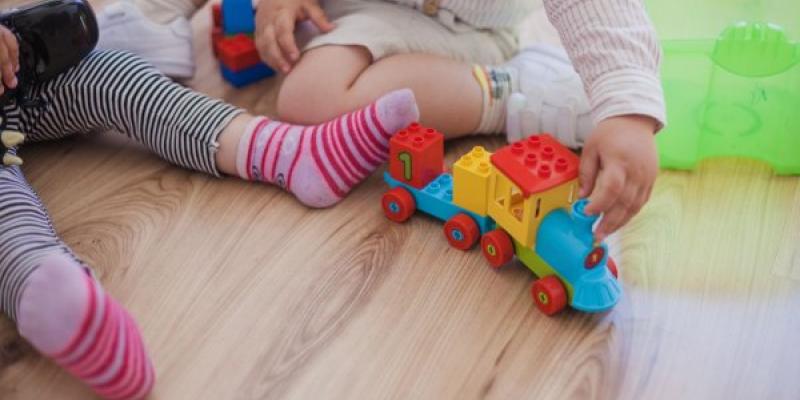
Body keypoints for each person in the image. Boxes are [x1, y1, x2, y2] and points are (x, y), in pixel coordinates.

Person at [0, 20, 418, 399]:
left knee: (111, 75)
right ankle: (50, 291)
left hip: (12, 84)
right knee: (9, 221)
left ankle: (293, 154)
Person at [97, 0, 666, 241]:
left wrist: (627, 106)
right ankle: (157, 18)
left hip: (457, 31)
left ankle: (513, 90)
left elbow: (603, 11)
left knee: (308, 98)